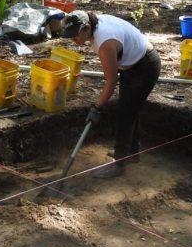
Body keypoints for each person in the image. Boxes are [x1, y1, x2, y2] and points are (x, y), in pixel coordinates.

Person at [61, 11, 161, 178]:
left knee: (125, 113)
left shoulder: (105, 42)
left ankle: (120, 163)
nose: (73, 40)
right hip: (133, 65)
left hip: (145, 67)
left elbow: (111, 81)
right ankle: (131, 152)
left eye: (75, 36)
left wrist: (97, 107)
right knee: (129, 109)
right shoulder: (95, 25)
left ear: (86, 28)